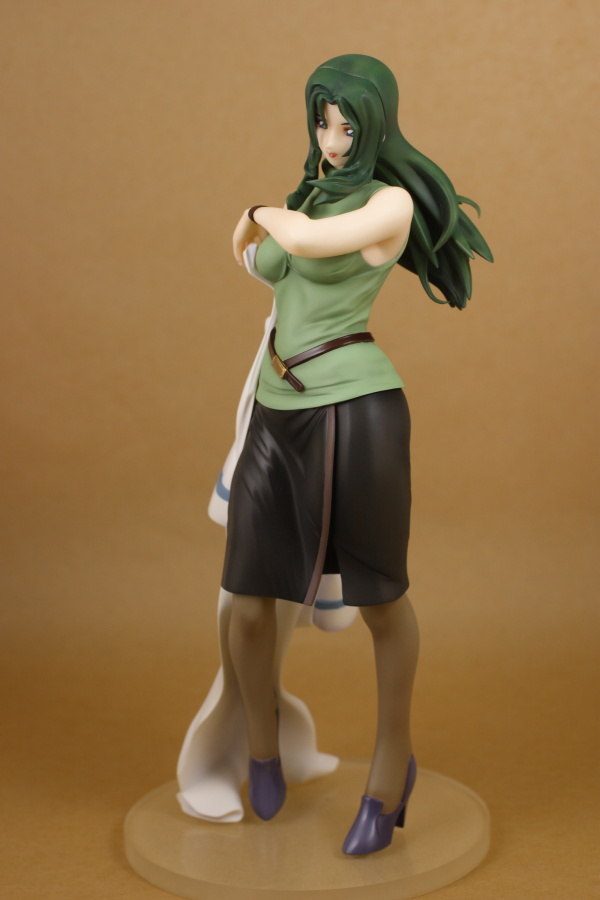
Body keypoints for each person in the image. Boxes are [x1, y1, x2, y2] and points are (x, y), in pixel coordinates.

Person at [222, 53, 492, 855]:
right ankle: (261, 748)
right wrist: (261, 221)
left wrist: (258, 211)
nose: (332, 140)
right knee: (246, 598)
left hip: (357, 411)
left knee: (381, 600)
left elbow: (298, 239)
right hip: (276, 411)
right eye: (322, 122)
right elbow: (256, 257)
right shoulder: (307, 194)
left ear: (375, 127)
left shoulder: (388, 202)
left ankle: (389, 768)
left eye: (346, 126)